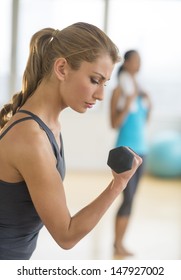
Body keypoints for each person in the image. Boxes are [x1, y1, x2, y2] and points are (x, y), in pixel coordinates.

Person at [0, 23, 142, 260]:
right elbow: (66, 235)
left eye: (104, 83)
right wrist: (118, 184)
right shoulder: (31, 137)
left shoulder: (48, 125)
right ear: (62, 68)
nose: (100, 95)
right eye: (95, 80)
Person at [110, 50, 151, 258]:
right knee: (126, 198)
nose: (139, 64)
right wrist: (127, 104)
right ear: (126, 63)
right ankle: (117, 244)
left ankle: (120, 243)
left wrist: (148, 103)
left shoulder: (141, 91)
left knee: (131, 199)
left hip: (142, 150)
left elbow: (144, 122)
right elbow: (114, 123)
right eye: (136, 60)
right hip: (125, 151)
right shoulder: (119, 91)